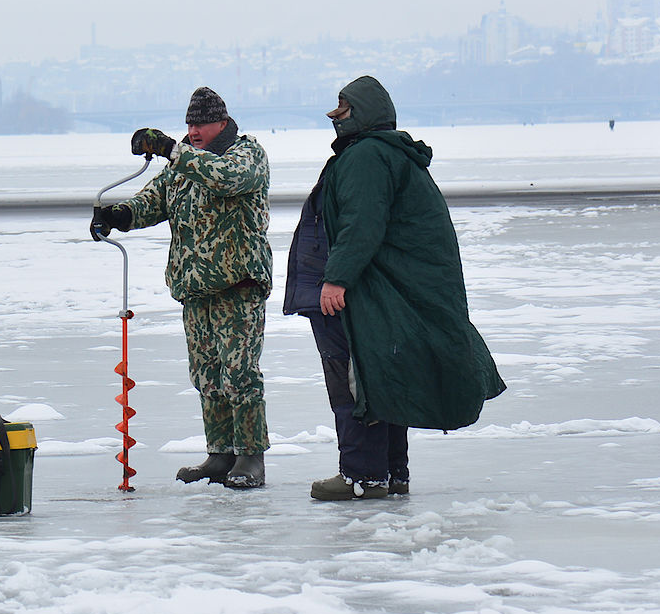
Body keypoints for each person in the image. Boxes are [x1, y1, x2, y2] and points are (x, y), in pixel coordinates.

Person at [283, 75, 505, 501]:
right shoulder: (387, 155)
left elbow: (360, 226)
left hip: (358, 291)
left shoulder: (366, 157)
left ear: (363, 112)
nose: (334, 116)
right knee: (381, 377)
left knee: (353, 381)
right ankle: (390, 472)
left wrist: (336, 279)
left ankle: (362, 477)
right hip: (379, 291)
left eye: (343, 109)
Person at [91, 88, 273, 489]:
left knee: (239, 373)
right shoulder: (180, 169)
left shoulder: (246, 155)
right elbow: (151, 202)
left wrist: (172, 149)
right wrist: (118, 215)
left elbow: (225, 180)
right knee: (207, 375)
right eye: (189, 125)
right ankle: (221, 453)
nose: (193, 131)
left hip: (237, 286)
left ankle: (250, 456)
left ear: (221, 123)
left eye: (200, 124)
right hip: (195, 289)